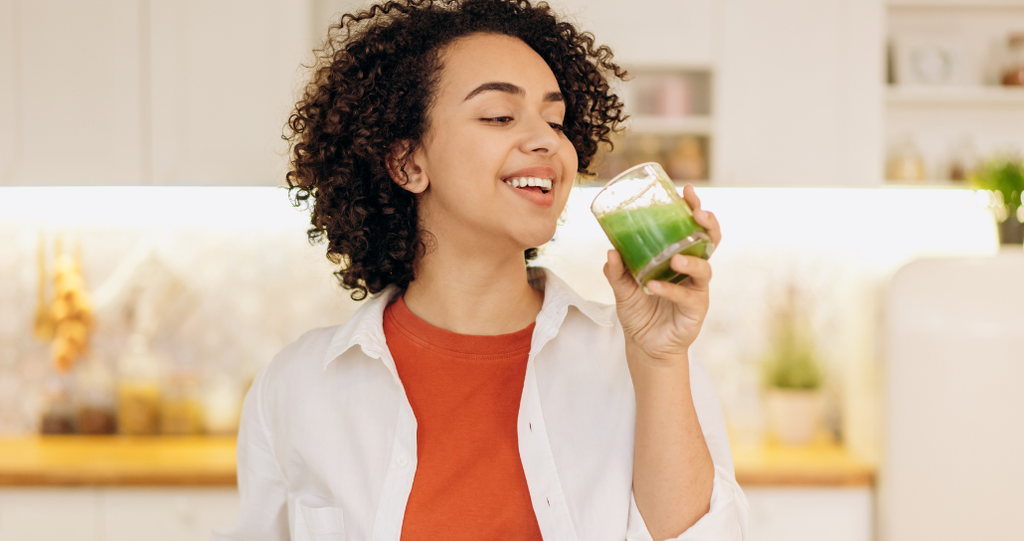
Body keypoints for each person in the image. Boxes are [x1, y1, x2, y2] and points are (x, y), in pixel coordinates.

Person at [214, 0, 748, 539]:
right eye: (498, 115)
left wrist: (660, 360)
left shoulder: (644, 360)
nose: (546, 140)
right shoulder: (298, 386)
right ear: (408, 163)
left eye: (556, 120)